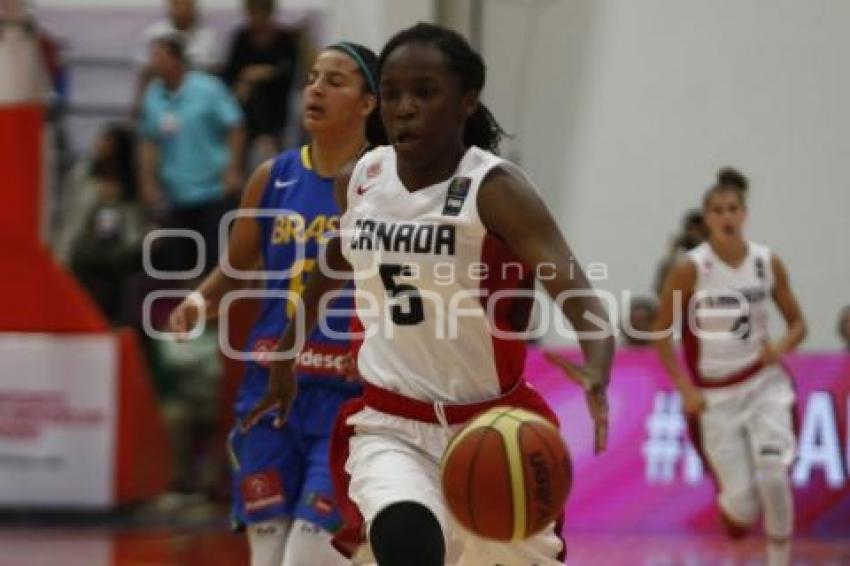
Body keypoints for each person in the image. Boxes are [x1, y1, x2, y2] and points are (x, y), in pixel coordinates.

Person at [246, 23, 614, 566]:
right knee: (408, 540)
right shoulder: (362, 178)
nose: (405, 108)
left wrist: (600, 364)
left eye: (425, 92)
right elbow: (334, 259)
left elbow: (577, 291)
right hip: (391, 424)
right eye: (392, 94)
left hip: (492, 427)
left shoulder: (495, 190)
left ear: (466, 100)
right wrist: (287, 350)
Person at [168, 41, 382, 566]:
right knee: (268, 558)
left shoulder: (381, 184)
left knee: (309, 554)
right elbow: (236, 266)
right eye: (312, 78)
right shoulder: (273, 176)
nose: (316, 89)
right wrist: (199, 299)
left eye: (335, 81)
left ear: (368, 103)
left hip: (346, 395)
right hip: (268, 393)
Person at [653, 168, 807, 566]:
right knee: (741, 508)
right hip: (715, 397)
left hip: (763, 383)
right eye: (718, 209)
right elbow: (659, 332)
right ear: (706, 218)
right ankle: (735, 509)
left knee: (774, 474)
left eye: (733, 208)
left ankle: (780, 561)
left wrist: (782, 345)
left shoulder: (766, 262)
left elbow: (799, 324)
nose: (726, 216)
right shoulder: (691, 268)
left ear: (744, 213)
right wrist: (684, 388)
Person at [138, 33, 245, 273]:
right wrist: (147, 181)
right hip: (176, 194)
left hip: (213, 190)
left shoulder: (209, 89)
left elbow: (235, 126)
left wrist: (232, 169)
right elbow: (148, 140)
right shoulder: (153, 95)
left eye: (158, 56)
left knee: (215, 263)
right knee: (181, 264)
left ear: (176, 60)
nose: (153, 62)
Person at [222, 0, 306, 166]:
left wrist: (259, 73)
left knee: (258, 92)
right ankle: (262, 138)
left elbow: (289, 71)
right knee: (250, 95)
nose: (256, 17)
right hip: (245, 100)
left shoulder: (285, 37)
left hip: (278, 98)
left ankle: (263, 137)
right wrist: (243, 81)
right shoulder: (241, 37)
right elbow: (230, 72)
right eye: (252, 12)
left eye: (260, 12)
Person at [132, 0, 220, 117]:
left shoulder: (208, 38)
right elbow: (144, 75)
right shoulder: (154, 33)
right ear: (170, 6)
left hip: (199, 102)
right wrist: (138, 107)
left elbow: (215, 76)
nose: (182, 9)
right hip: (161, 100)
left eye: (188, 5)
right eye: (177, 4)